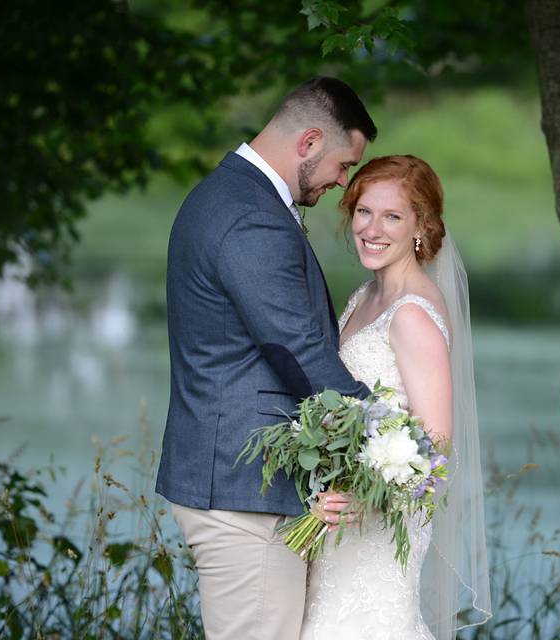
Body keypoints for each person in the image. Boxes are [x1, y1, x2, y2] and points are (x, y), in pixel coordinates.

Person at [155, 77, 377, 640]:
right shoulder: (250, 214)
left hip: (237, 478)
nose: (342, 181)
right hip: (241, 485)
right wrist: (381, 428)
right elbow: (294, 348)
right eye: (344, 164)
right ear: (308, 143)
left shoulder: (230, 195)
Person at [300, 156, 492, 639]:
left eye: (392, 216)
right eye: (364, 211)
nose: (371, 228)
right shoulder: (364, 298)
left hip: (380, 533)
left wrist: (370, 501)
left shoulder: (412, 315)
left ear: (421, 226)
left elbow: (437, 448)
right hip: (339, 525)